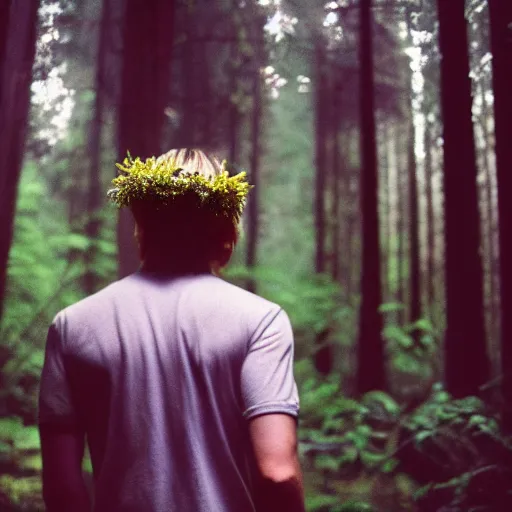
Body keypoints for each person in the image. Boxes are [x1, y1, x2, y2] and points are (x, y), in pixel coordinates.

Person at [38, 148, 305, 512]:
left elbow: (62, 487)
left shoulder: (72, 325)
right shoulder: (261, 321)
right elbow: (277, 473)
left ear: (143, 227)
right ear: (225, 234)